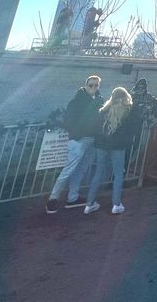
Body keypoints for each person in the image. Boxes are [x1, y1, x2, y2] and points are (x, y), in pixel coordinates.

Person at [46, 75, 104, 214]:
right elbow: (69, 119)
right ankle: (53, 198)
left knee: (82, 169)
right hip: (79, 139)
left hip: (93, 139)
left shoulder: (101, 101)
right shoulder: (77, 101)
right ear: (85, 85)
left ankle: (73, 197)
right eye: (91, 85)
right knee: (69, 169)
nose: (93, 88)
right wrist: (76, 133)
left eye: (96, 85)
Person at [84, 86, 141, 215]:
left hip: (102, 145)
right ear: (126, 96)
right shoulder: (130, 110)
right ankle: (116, 204)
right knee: (118, 174)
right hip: (118, 146)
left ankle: (89, 204)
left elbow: (96, 127)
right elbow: (135, 128)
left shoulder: (104, 110)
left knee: (98, 172)